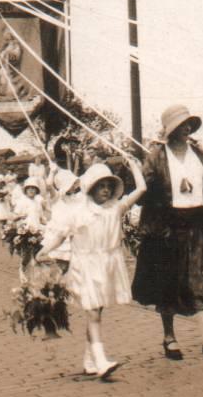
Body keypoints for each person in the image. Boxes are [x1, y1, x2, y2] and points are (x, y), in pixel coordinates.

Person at [132, 104, 203, 362]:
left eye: (189, 123)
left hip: (197, 224)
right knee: (168, 283)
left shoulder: (199, 155)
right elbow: (144, 193)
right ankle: (169, 337)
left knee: (199, 279)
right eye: (181, 124)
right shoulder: (156, 156)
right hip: (167, 228)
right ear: (170, 130)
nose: (186, 128)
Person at [40, 161, 146, 379]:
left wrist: (135, 167)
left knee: (96, 312)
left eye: (108, 185)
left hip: (107, 264)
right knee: (92, 312)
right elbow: (61, 234)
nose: (106, 190)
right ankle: (100, 360)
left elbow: (142, 189)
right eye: (101, 186)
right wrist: (44, 250)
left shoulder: (115, 208)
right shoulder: (79, 212)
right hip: (85, 266)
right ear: (91, 188)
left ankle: (90, 361)